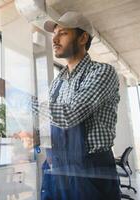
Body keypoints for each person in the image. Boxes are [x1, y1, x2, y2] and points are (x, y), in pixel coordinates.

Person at [41, 11, 121, 200]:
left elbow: (70, 115)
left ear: (83, 37)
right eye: (54, 34)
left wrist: (16, 95)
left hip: (90, 171)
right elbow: (53, 121)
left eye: (63, 33)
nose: (55, 39)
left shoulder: (102, 72)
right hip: (57, 167)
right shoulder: (57, 82)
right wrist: (36, 135)